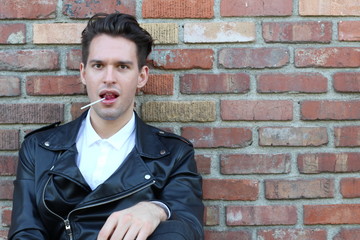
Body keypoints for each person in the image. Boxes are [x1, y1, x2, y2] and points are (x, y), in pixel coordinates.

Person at [8, 13, 204, 240]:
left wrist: (157, 209)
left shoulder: (174, 154)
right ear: (83, 73)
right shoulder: (39, 148)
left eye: (122, 66)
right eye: (98, 65)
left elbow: (189, 228)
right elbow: (25, 232)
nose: (109, 78)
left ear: (141, 76)